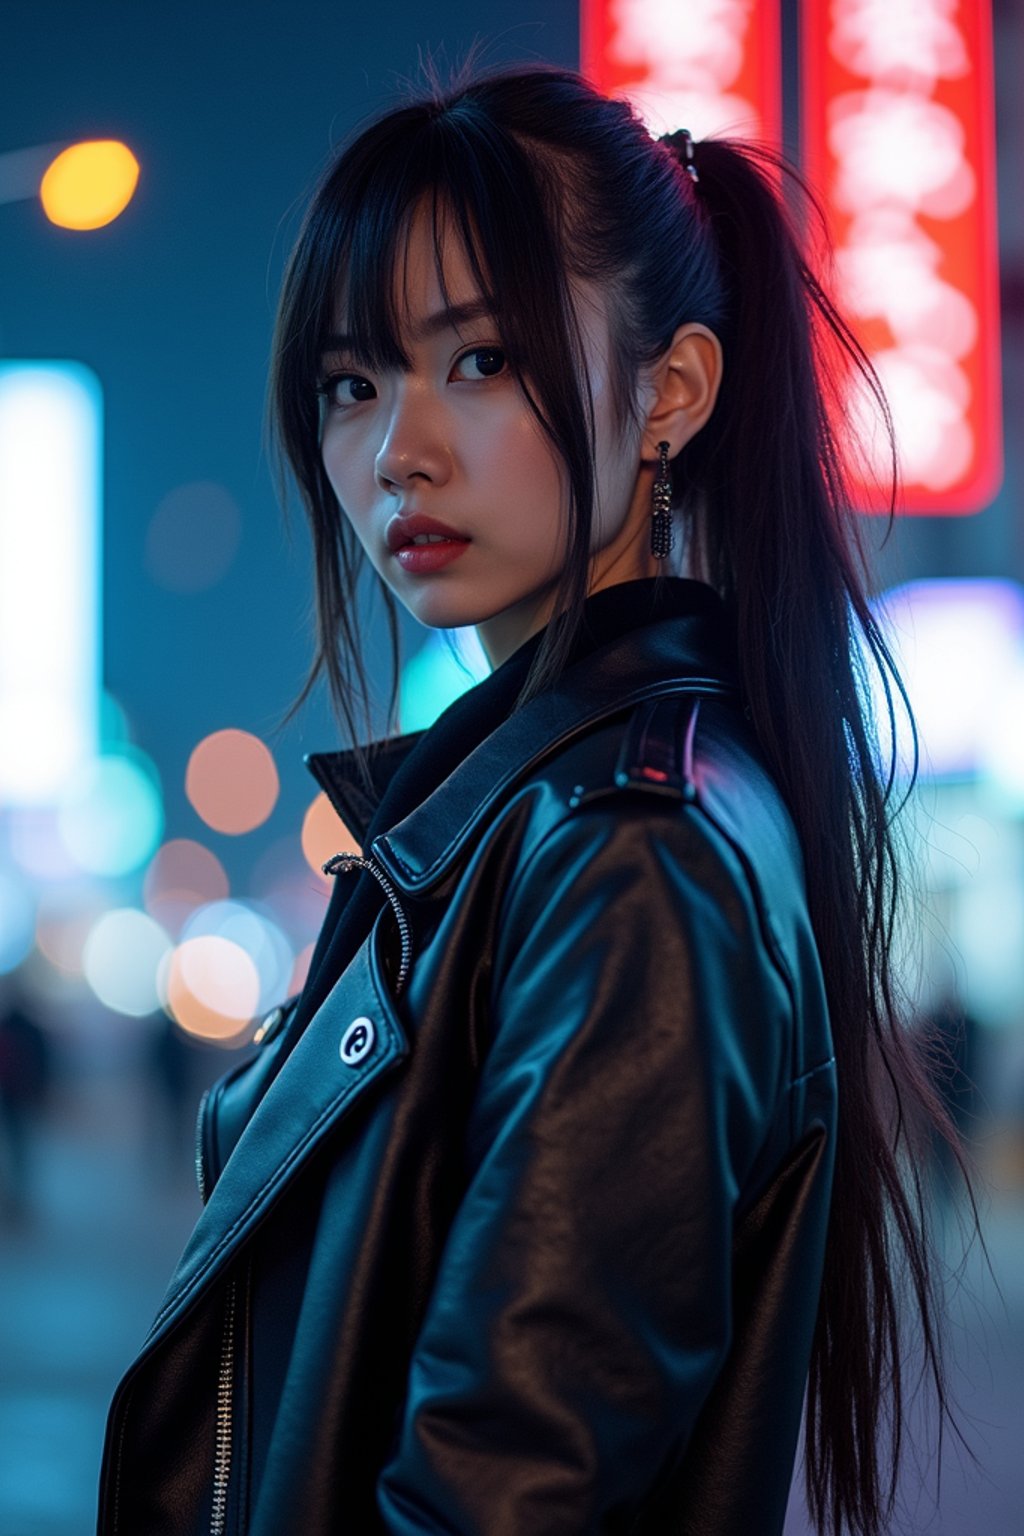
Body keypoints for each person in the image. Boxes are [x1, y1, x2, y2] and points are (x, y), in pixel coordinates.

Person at [97, 59, 983, 1536]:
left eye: (483, 360)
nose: (397, 452)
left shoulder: (633, 853)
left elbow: (502, 1496)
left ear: (671, 391)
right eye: (351, 384)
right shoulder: (531, 820)